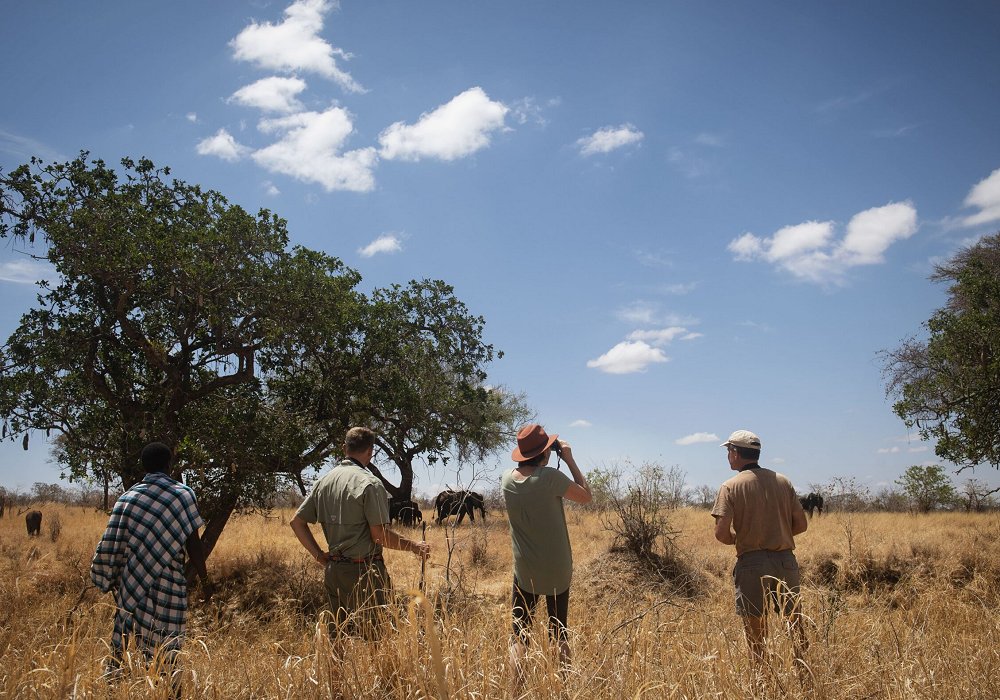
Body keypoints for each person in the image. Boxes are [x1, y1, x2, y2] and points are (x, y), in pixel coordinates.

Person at [91, 441, 211, 690]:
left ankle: (119, 691)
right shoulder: (182, 494)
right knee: (169, 648)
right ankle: (170, 693)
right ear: (170, 465)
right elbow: (194, 544)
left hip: (132, 584)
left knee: (126, 645)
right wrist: (205, 580)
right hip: (170, 584)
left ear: (143, 466)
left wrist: (110, 579)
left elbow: (111, 544)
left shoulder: (127, 499)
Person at [290, 426, 430, 638]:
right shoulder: (370, 483)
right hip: (365, 572)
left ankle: (335, 672)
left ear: (344, 448)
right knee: (378, 635)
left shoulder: (323, 482)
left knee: (337, 635)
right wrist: (413, 546)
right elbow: (379, 535)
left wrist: (320, 556)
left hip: (334, 570)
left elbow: (296, 522)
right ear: (370, 451)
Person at [502, 423, 591, 684]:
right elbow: (586, 496)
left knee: (519, 635)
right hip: (557, 569)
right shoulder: (550, 478)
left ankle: (514, 692)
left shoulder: (507, 479)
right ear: (545, 453)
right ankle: (564, 687)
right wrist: (570, 458)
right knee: (559, 631)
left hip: (525, 570)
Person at [711, 429, 809, 665]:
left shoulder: (730, 486)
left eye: (728, 451)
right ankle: (805, 671)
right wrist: (778, 535)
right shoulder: (783, 481)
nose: (727, 456)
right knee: (795, 623)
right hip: (786, 561)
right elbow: (802, 525)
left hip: (752, 564)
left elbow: (721, 533)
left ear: (735, 453)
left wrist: (741, 539)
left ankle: (762, 680)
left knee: (756, 632)